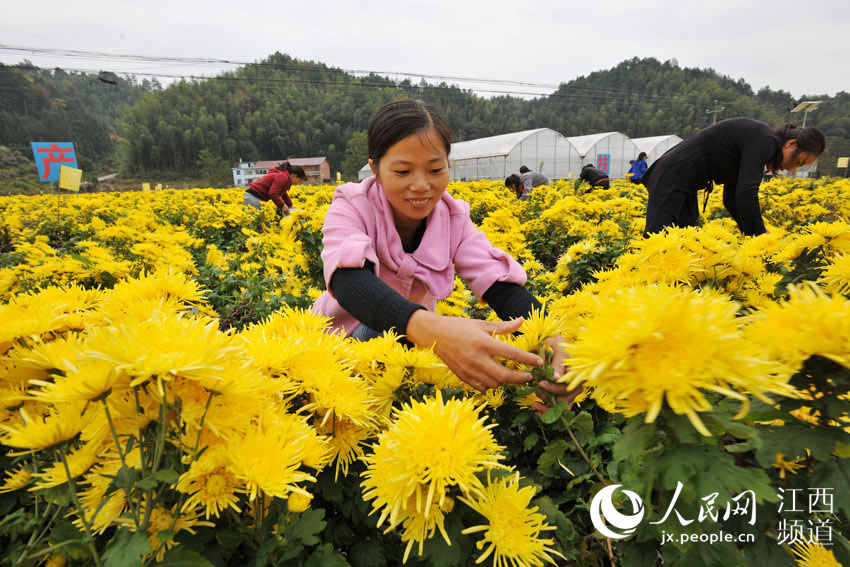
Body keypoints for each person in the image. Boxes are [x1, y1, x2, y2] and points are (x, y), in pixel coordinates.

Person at [312, 99, 574, 408]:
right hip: (340, 343)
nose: (421, 185)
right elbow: (348, 280)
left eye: (435, 169)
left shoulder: (453, 216)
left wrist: (550, 334)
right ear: (375, 169)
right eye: (402, 171)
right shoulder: (351, 205)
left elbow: (497, 284)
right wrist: (437, 332)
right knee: (386, 334)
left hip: (414, 341)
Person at [643, 118, 825, 236]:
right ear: (791, 144)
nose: (792, 168)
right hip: (673, 175)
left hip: (686, 181)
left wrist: (750, 232)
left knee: (684, 237)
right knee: (655, 239)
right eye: (799, 161)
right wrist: (760, 234)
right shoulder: (765, 140)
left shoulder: (758, 143)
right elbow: (746, 192)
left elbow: (732, 198)